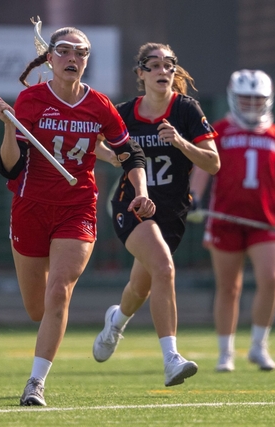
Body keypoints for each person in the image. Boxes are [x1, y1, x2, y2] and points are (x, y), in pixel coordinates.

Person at [0, 26, 155, 406]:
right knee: (38, 308)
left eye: (81, 53)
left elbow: (130, 153)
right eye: (64, 51)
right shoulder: (31, 100)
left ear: (86, 61)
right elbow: (10, 168)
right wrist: (8, 127)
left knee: (60, 289)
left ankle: (36, 383)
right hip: (30, 206)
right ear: (50, 58)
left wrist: (141, 192)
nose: (73, 58)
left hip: (77, 208)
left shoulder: (99, 106)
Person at [92, 43, 220, 386]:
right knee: (164, 267)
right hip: (132, 204)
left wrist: (180, 142)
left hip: (172, 212)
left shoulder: (186, 110)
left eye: (169, 65)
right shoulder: (124, 113)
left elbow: (213, 163)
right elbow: (93, 142)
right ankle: (171, 359)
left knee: (141, 286)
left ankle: (115, 322)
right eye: (154, 65)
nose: (163, 71)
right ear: (141, 73)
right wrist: (116, 157)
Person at [188, 69, 275, 372]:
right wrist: (193, 197)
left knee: (271, 280)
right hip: (225, 220)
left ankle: (259, 346)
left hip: (265, 221)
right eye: (245, 98)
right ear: (234, 98)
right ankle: (225, 352)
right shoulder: (219, 131)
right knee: (228, 287)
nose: (250, 104)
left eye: (257, 99)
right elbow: (203, 168)